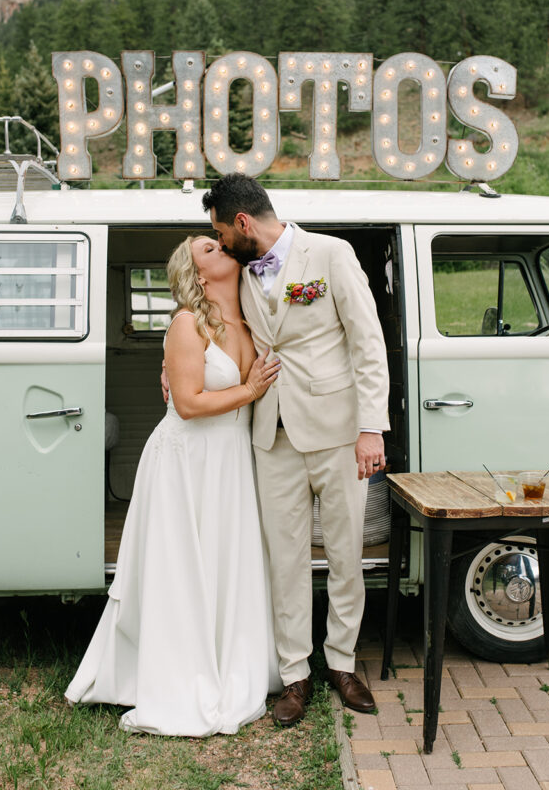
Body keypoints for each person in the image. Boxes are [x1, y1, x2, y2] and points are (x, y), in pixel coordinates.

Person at [65, 235, 281, 736]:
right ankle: (178, 674)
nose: (222, 245)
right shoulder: (188, 323)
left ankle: (233, 660)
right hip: (187, 459)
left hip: (231, 457)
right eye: (208, 247)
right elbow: (187, 403)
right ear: (198, 274)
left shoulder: (254, 317)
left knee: (226, 559)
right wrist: (248, 389)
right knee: (184, 565)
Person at [201, 173, 390, 727]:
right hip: (271, 436)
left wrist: (371, 427)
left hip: (336, 433)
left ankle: (342, 663)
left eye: (220, 230)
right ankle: (295, 675)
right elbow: (209, 311)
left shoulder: (331, 254)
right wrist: (174, 360)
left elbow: (367, 340)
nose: (219, 241)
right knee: (283, 561)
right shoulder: (237, 270)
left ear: (242, 223)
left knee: (345, 554)